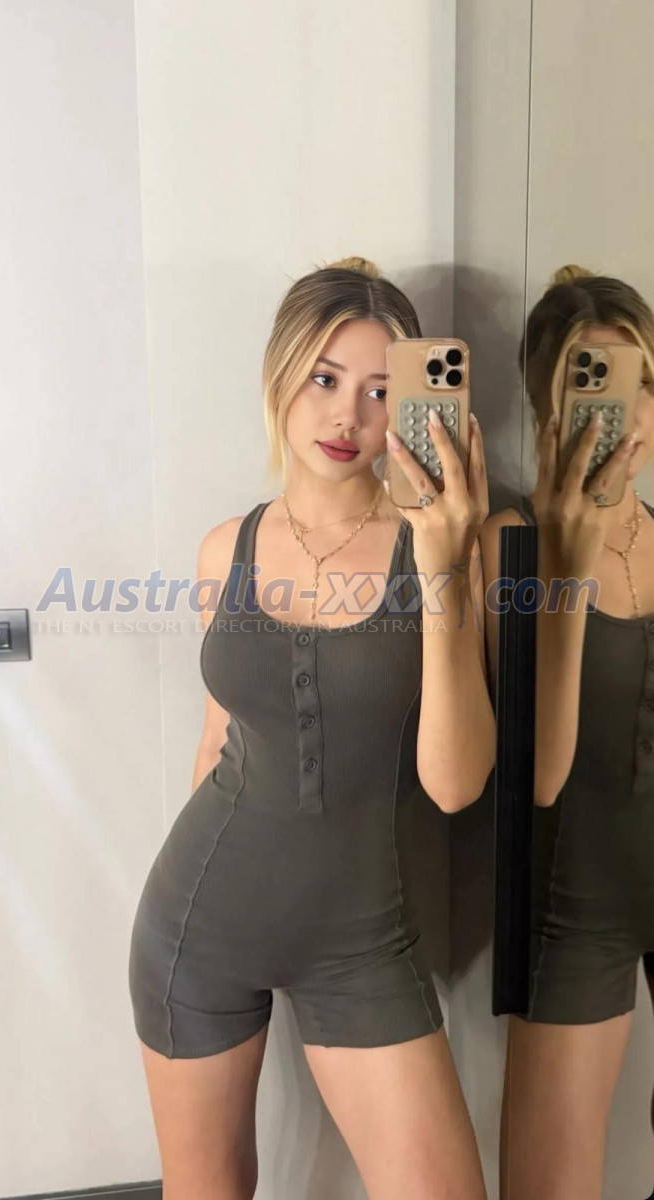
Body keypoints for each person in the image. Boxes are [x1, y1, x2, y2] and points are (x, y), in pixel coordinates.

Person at [128, 256, 495, 1199]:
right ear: (280, 375)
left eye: (379, 391)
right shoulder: (226, 548)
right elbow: (215, 745)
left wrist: (445, 561)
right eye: (325, 379)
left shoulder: (440, 549)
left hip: (361, 941)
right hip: (198, 926)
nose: (347, 417)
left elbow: (454, 783)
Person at [480, 265, 654, 1199]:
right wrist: (569, 559)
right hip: (573, 905)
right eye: (590, 385)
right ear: (548, 411)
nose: (623, 413)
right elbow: (535, 779)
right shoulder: (509, 544)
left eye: (640, 382)